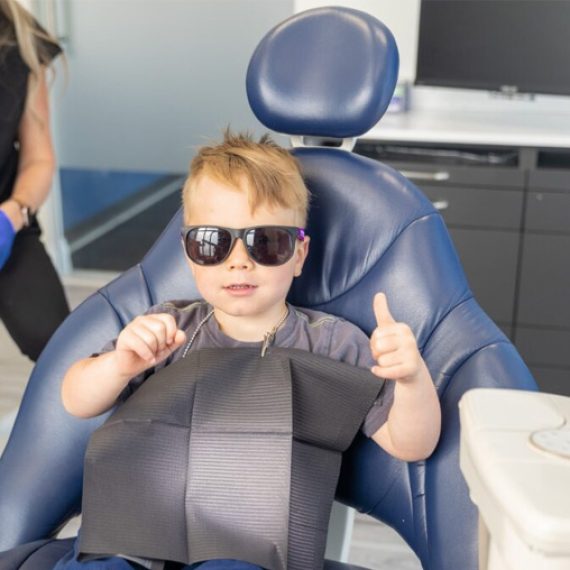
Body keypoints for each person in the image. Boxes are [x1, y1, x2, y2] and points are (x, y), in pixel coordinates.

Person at [58, 131, 441, 570]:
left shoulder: (332, 344)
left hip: (248, 546)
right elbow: (75, 398)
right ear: (188, 254)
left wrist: (411, 378)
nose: (239, 261)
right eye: (212, 243)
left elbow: (412, 443)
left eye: (267, 242)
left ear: (299, 255)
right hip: (133, 533)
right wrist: (119, 365)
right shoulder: (166, 327)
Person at [0, 0, 69, 362]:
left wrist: (12, 216)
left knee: (59, 346)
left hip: (7, 216)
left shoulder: (21, 40)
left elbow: (39, 159)